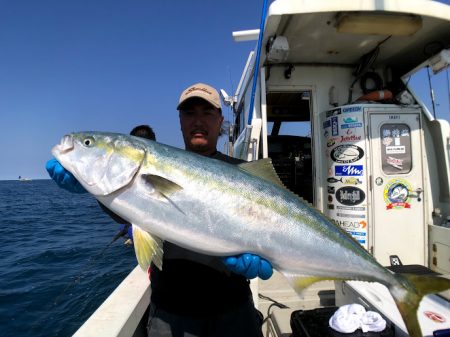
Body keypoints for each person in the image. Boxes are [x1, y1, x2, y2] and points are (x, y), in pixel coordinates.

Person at [45, 84, 273, 337]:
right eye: (189, 113)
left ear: (220, 120)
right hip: (171, 314)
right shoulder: (156, 168)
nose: (198, 121)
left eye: (207, 113)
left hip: (234, 310)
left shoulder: (243, 172)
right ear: (180, 120)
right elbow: (130, 208)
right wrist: (93, 188)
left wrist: (269, 253)